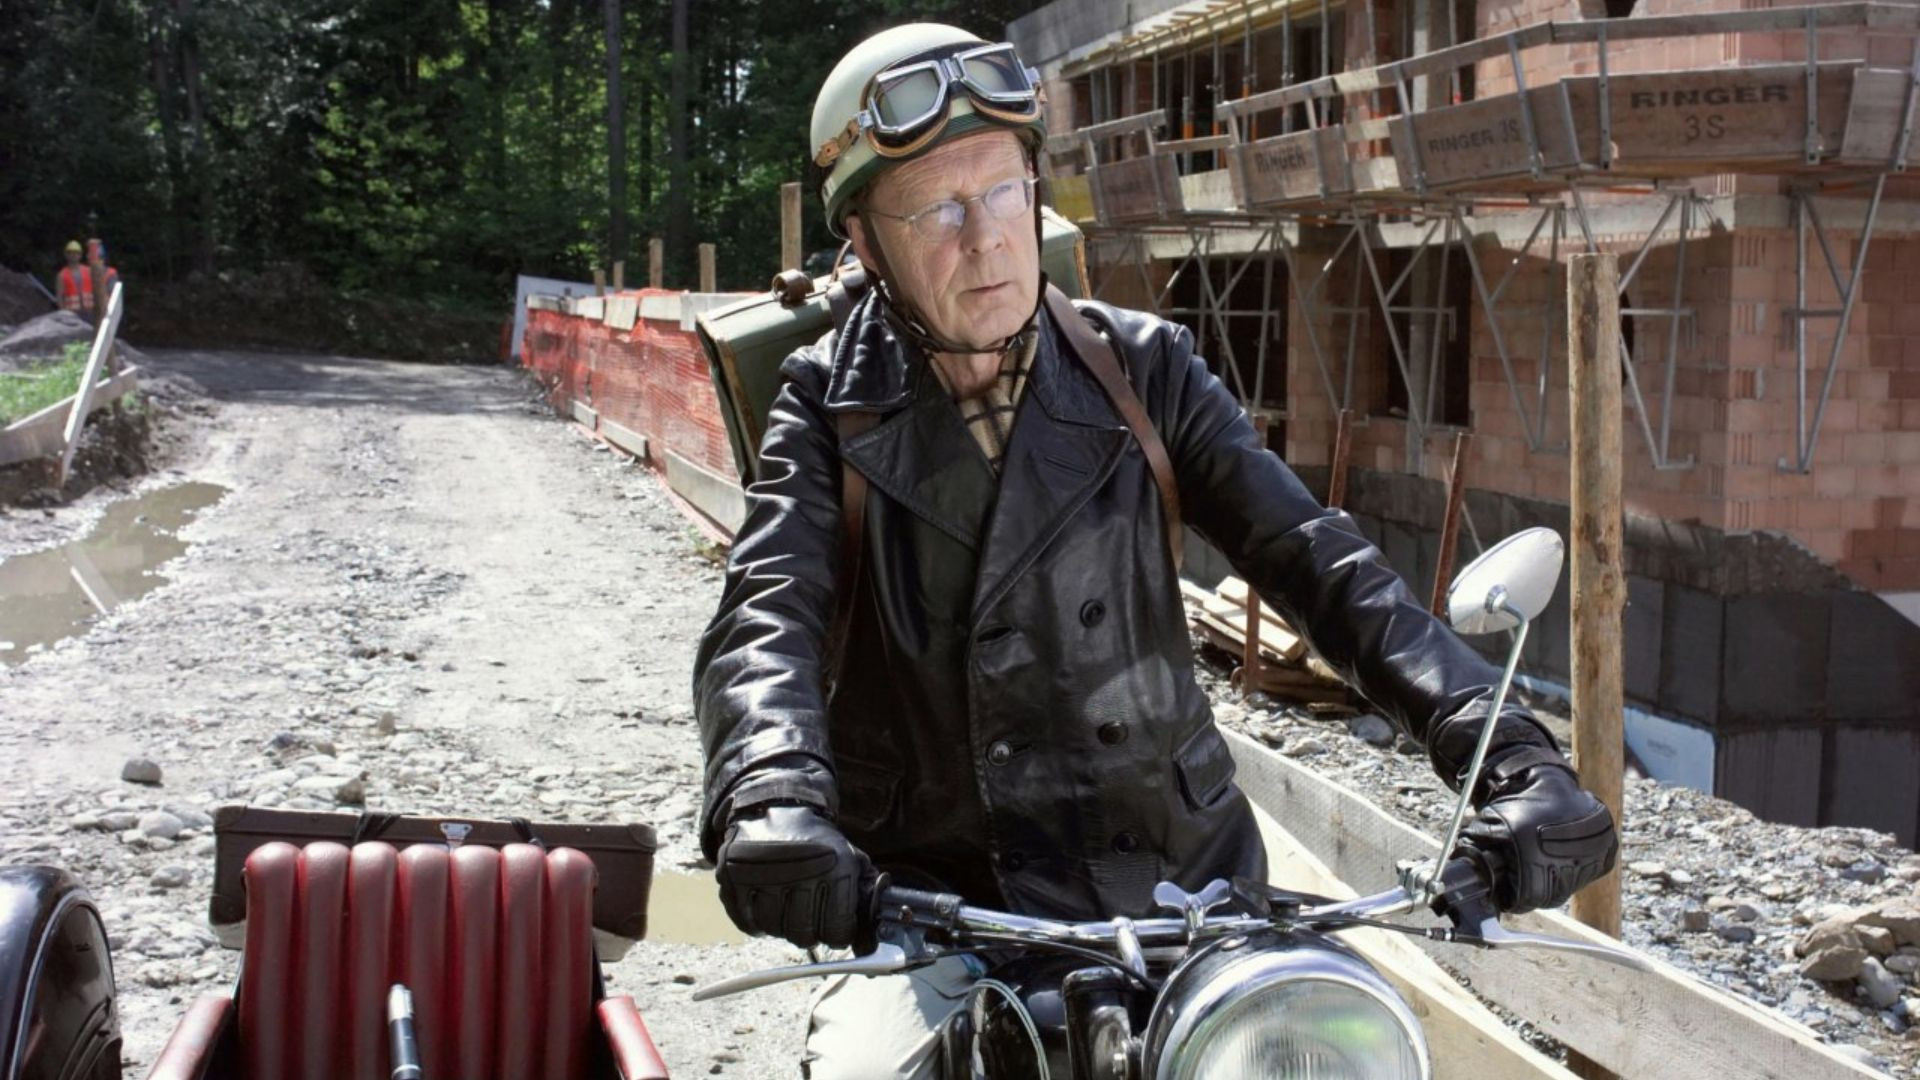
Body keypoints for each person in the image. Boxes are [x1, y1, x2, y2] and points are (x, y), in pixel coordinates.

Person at [692, 23, 1618, 1077]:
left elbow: (1315, 560)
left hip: (1187, 886)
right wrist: (772, 792)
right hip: (942, 909)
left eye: (1002, 193)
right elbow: (767, 614)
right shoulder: (828, 405)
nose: (986, 239)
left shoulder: (1143, 368)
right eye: (936, 211)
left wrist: (1507, 751)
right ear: (866, 243)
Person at [56, 240, 93, 316]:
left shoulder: (89, 271)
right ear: (66, 255)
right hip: (71, 312)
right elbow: (59, 297)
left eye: (76, 253)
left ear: (80, 255)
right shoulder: (62, 275)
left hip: (89, 310)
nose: (74, 255)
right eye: (71, 253)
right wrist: (63, 313)